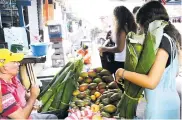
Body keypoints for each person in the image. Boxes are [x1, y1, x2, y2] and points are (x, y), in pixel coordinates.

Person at [115, 1, 181, 119]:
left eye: (140, 26)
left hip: (159, 108)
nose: (140, 30)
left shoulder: (162, 40)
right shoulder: (173, 38)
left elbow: (151, 82)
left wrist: (122, 72)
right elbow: (173, 73)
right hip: (172, 103)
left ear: (146, 22)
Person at [0, 49, 58, 119]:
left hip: (27, 115)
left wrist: (32, 100)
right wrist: (33, 97)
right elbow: (21, 118)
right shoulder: (3, 90)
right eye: (14, 62)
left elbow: (22, 93)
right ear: (3, 68)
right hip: (23, 117)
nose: (18, 63)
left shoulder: (13, 78)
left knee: (53, 117)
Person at [99, 6, 137, 74]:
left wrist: (104, 48)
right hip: (130, 61)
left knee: (119, 83)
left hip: (121, 62)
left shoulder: (121, 30)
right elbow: (124, 42)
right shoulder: (130, 27)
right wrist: (112, 38)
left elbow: (119, 49)